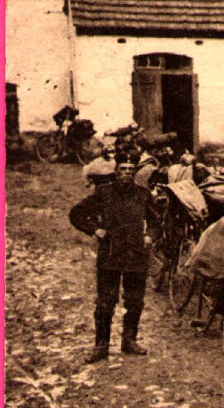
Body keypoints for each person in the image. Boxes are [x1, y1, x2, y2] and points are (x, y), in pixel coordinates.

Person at [69, 149, 161, 364]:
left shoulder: (143, 194)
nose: (126, 173)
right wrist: (95, 229)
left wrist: (149, 236)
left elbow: (156, 221)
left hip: (136, 254)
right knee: (105, 302)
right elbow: (76, 214)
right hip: (110, 254)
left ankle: (129, 341)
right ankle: (101, 345)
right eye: (123, 169)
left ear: (135, 171)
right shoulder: (104, 193)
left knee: (135, 300)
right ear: (116, 171)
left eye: (131, 169)